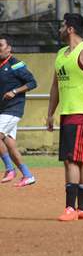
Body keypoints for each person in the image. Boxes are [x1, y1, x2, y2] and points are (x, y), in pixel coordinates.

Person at [47, 13, 83, 221]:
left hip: (81, 114)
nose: (59, 29)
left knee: (74, 161)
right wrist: (50, 113)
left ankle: (73, 208)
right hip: (67, 114)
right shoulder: (61, 53)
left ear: (70, 29)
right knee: (75, 161)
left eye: (62, 25)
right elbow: (55, 87)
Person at [0, 35, 37, 187]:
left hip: (13, 109)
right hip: (3, 110)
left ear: (9, 48)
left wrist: (14, 91)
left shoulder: (16, 65)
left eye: (0, 45)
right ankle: (28, 175)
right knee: (10, 145)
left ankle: (10, 169)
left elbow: (32, 82)